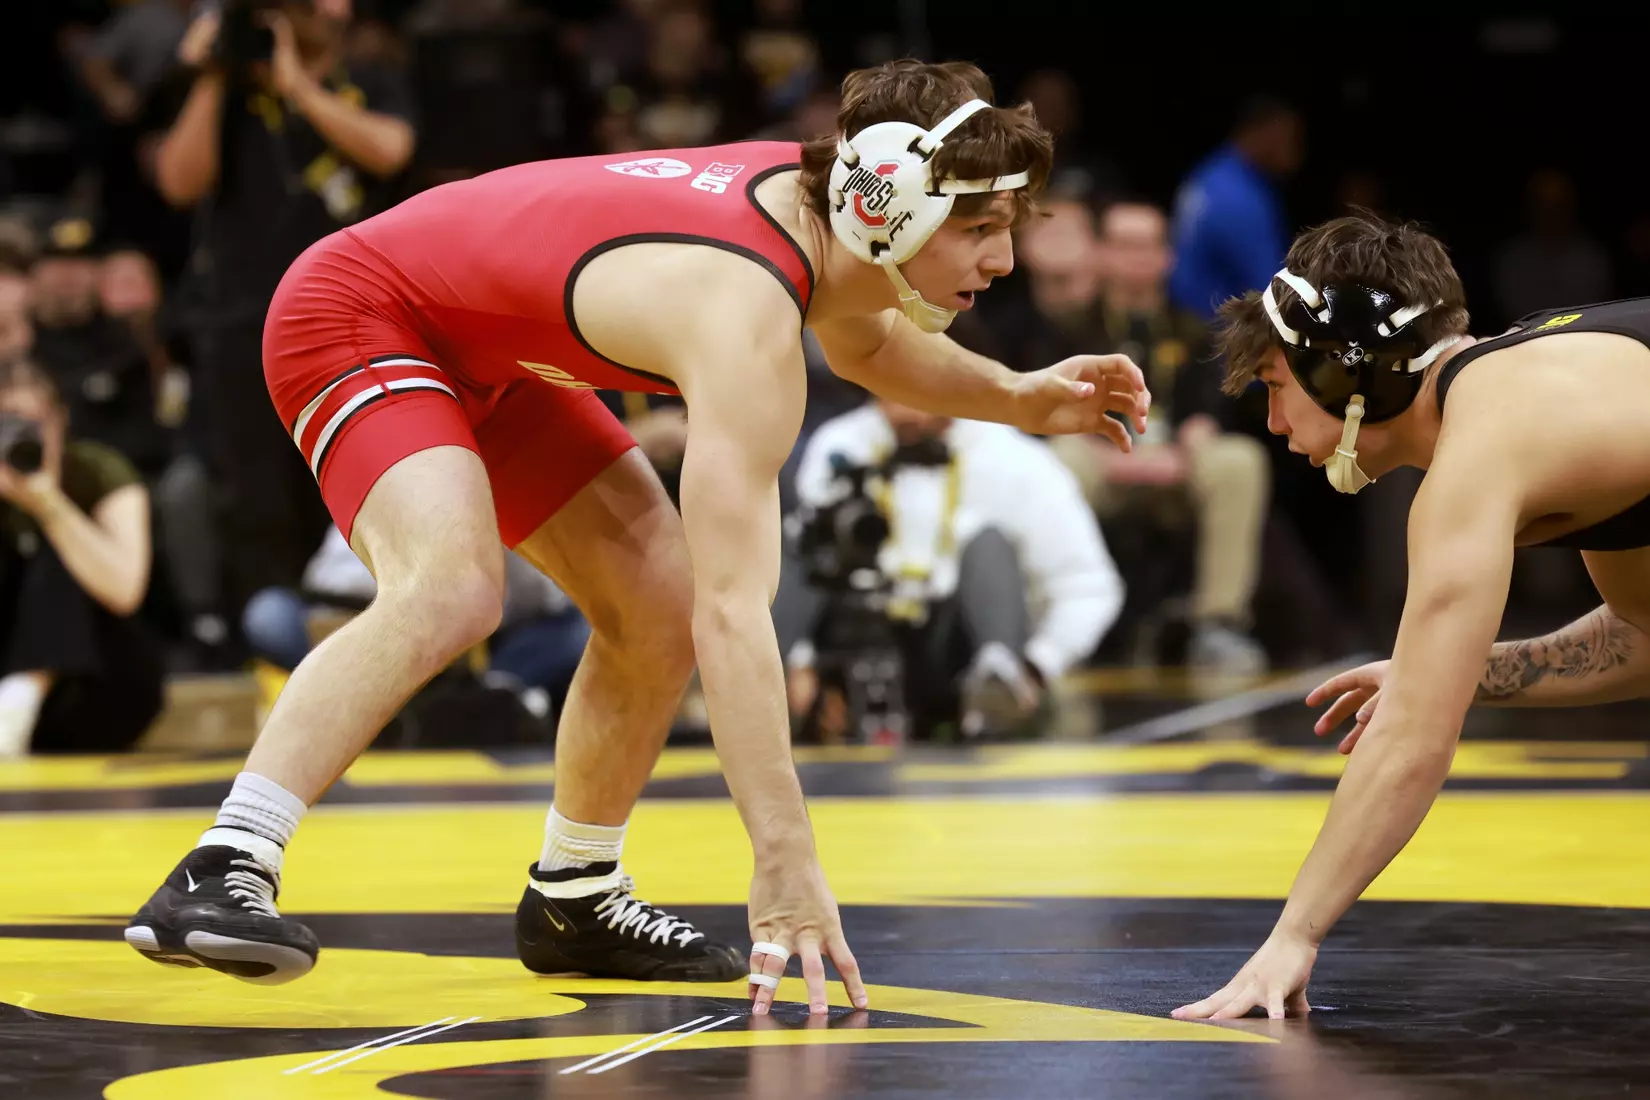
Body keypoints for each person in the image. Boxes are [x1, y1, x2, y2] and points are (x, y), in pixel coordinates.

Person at [123, 59, 1151, 1017]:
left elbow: (873, 338)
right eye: (980, 227)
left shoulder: (833, 219)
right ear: (896, 204)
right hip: (363, 314)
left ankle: (576, 890)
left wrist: (1018, 394)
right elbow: (737, 610)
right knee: (453, 588)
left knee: (654, 600)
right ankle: (224, 862)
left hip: (490, 346)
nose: (1005, 258)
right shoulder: (742, 310)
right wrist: (784, 858)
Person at [1172, 211, 1650, 1021]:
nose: (1274, 422)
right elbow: (1642, 636)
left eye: (1277, 387)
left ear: (1345, 369)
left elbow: (1414, 745)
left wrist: (1294, 934)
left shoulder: (1485, 450)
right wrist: (1457, 674)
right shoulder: (1546, 391)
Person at [779, 396, 1125, 740]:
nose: (903, 409)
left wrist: (1037, 665)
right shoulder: (841, 443)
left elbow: (1089, 585)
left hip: (954, 648)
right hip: (854, 633)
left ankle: (998, 678)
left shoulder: (1016, 459)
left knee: (987, 542)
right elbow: (810, 562)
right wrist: (801, 661)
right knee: (792, 543)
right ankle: (768, 685)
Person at [0, 357, 161, 757]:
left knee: (62, 556)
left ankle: (21, 696)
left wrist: (48, 504)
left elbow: (125, 590)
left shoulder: (98, 471)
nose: (18, 437)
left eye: (31, 422)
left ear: (60, 421)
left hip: (98, 689)